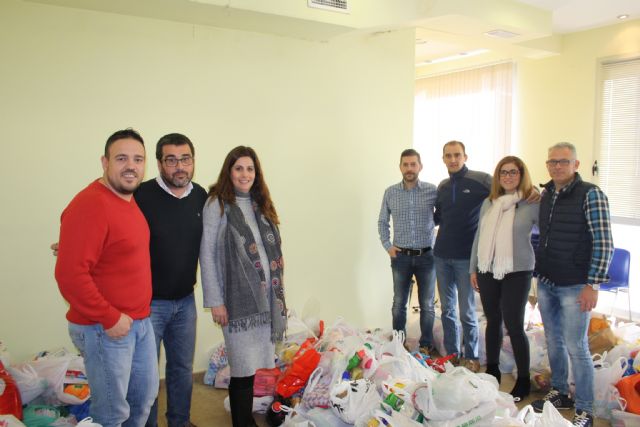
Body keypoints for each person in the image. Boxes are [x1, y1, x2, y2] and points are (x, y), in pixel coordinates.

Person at [55, 129, 159, 427]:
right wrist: (109, 317)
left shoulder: (127, 200)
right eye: (122, 158)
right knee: (112, 414)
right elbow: (69, 275)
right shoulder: (90, 204)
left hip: (138, 323)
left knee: (142, 401)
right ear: (105, 161)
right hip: (105, 328)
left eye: (138, 159)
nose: (131, 166)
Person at [199, 146, 286, 427]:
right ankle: (242, 422)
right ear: (229, 172)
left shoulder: (262, 205)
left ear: (256, 174)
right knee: (241, 369)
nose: (244, 174)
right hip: (236, 304)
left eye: (250, 169)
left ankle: (248, 418)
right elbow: (208, 255)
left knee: (255, 367)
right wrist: (215, 301)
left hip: (264, 302)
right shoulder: (217, 204)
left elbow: (270, 255)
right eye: (239, 168)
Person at [531, 142, 613, 427]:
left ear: (576, 165)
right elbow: (542, 236)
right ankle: (560, 392)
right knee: (553, 341)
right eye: (552, 161)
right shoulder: (547, 194)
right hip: (547, 280)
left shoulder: (591, 194)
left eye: (563, 162)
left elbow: (604, 243)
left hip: (575, 285)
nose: (557, 166)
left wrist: (593, 284)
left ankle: (585, 409)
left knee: (576, 346)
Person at [135, 134, 208, 427]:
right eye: (172, 160)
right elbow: (110, 227)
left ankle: (180, 422)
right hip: (148, 304)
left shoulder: (201, 196)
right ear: (159, 163)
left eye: (185, 159)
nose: (180, 167)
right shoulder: (140, 195)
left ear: (193, 161)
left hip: (185, 301)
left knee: (181, 369)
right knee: (147, 375)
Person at [469, 156, 539, 401]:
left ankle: (523, 380)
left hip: (517, 271)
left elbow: (546, 232)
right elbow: (479, 237)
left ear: (522, 174)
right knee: (493, 320)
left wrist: (540, 193)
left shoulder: (532, 202)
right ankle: (493, 371)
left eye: (513, 172)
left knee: (514, 324)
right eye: (503, 173)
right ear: (498, 177)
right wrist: (473, 268)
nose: (508, 177)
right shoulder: (489, 203)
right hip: (488, 269)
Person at [433, 141, 492, 372]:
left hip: (466, 258)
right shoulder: (443, 186)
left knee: (466, 311)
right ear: (443, 159)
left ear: (465, 156)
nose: (453, 159)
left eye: (457, 155)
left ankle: (472, 356)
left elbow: (508, 189)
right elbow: (438, 217)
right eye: (448, 156)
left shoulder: (481, 180)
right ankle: (452, 354)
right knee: (447, 310)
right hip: (441, 255)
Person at [378, 148, 438, 354]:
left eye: (413, 164)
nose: (409, 168)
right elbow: (382, 222)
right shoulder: (390, 192)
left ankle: (426, 345)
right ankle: (398, 343)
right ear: (400, 167)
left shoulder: (432, 191)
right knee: (398, 303)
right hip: (401, 257)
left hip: (427, 257)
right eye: (406, 164)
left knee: (427, 305)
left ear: (420, 166)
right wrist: (388, 246)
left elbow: (443, 217)